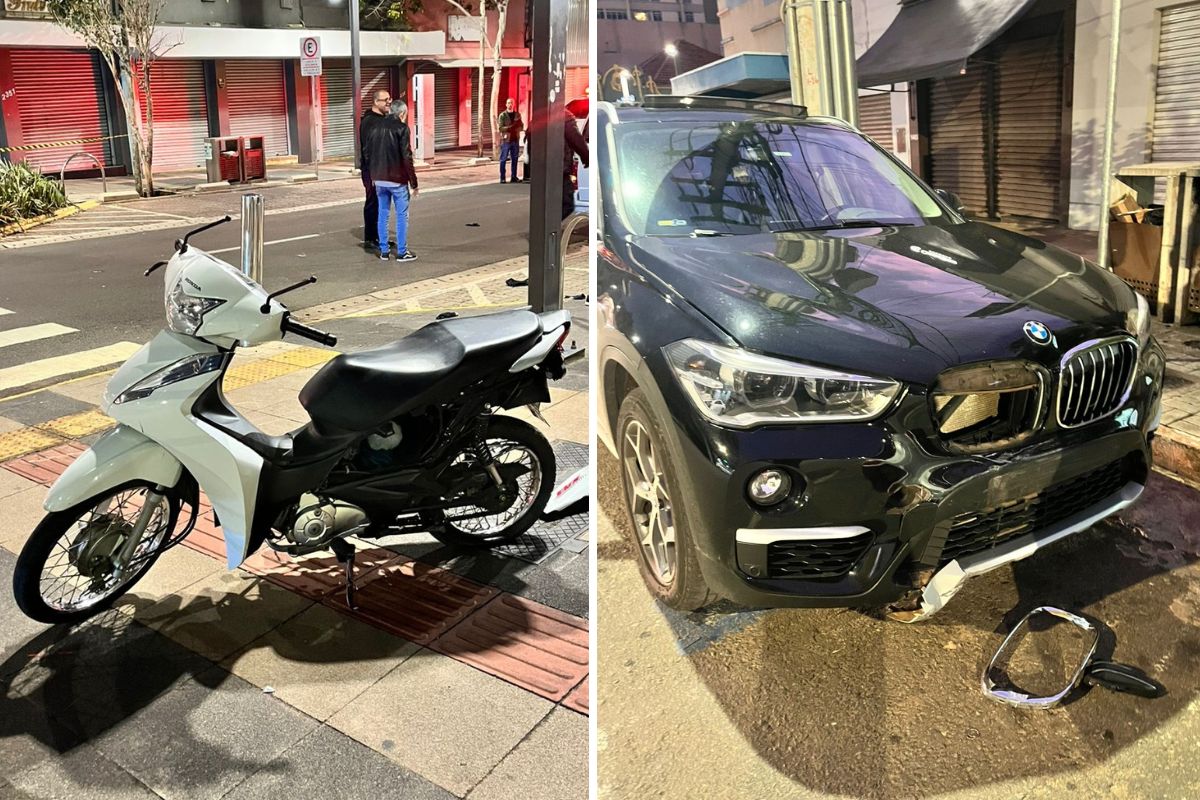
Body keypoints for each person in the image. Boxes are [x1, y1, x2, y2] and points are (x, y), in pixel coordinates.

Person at [366, 100, 419, 262]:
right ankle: (402, 252)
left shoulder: (375, 128)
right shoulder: (402, 128)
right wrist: (414, 183)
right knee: (402, 215)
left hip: (379, 179)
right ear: (402, 113)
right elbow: (406, 156)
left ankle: (384, 251)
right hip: (397, 180)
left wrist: (373, 176)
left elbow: (368, 153)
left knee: (383, 214)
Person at [359, 89, 391, 250]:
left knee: (382, 203)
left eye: (389, 100)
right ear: (376, 102)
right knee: (373, 202)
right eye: (385, 100)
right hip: (373, 170)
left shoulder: (383, 119)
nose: (388, 103)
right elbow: (368, 149)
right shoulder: (370, 122)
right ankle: (370, 238)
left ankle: (380, 236)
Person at [562, 107, 588, 220]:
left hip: (542, 168)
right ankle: (551, 230)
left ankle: (546, 229)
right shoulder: (566, 117)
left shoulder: (540, 114)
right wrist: (586, 157)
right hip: (559, 168)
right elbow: (577, 140)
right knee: (566, 204)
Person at [498, 98, 524, 184]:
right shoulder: (502, 115)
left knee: (515, 159)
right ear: (506, 104)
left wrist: (517, 128)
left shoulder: (517, 115)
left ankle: (514, 177)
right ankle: (502, 177)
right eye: (508, 103)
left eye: (511, 103)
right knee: (503, 159)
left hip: (515, 140)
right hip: (506, 140)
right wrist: (509, 128)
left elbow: (521, 126)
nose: (510, 104)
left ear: (513, 104)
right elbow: (500, 128)